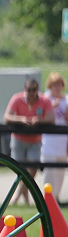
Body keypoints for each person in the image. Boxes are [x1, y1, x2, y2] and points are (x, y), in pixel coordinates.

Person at [4, 78, 53, 205]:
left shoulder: (45, 101)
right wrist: (21, 119)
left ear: (38, 90)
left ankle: (15, 198)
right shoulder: (17, 98)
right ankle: (26, 201)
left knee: (33, 168)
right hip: (18, 139)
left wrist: (39, 120)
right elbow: (7, 117)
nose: (31, 92)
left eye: (34, 90)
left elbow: (51, 118)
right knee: (20, 170)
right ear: (25, 89)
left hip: (35, 140)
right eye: (29, 89)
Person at [42, 72, 68, 202]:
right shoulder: (45, 99)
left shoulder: (67, 99)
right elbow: (40, 115)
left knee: (60, 171)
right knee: (49, 171)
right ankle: (47, 197)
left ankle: (56, 196)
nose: (57, 87)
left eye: (59, 84)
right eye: (54, 85)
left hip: (63, 141)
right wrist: (51, 108)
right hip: (49, 140)